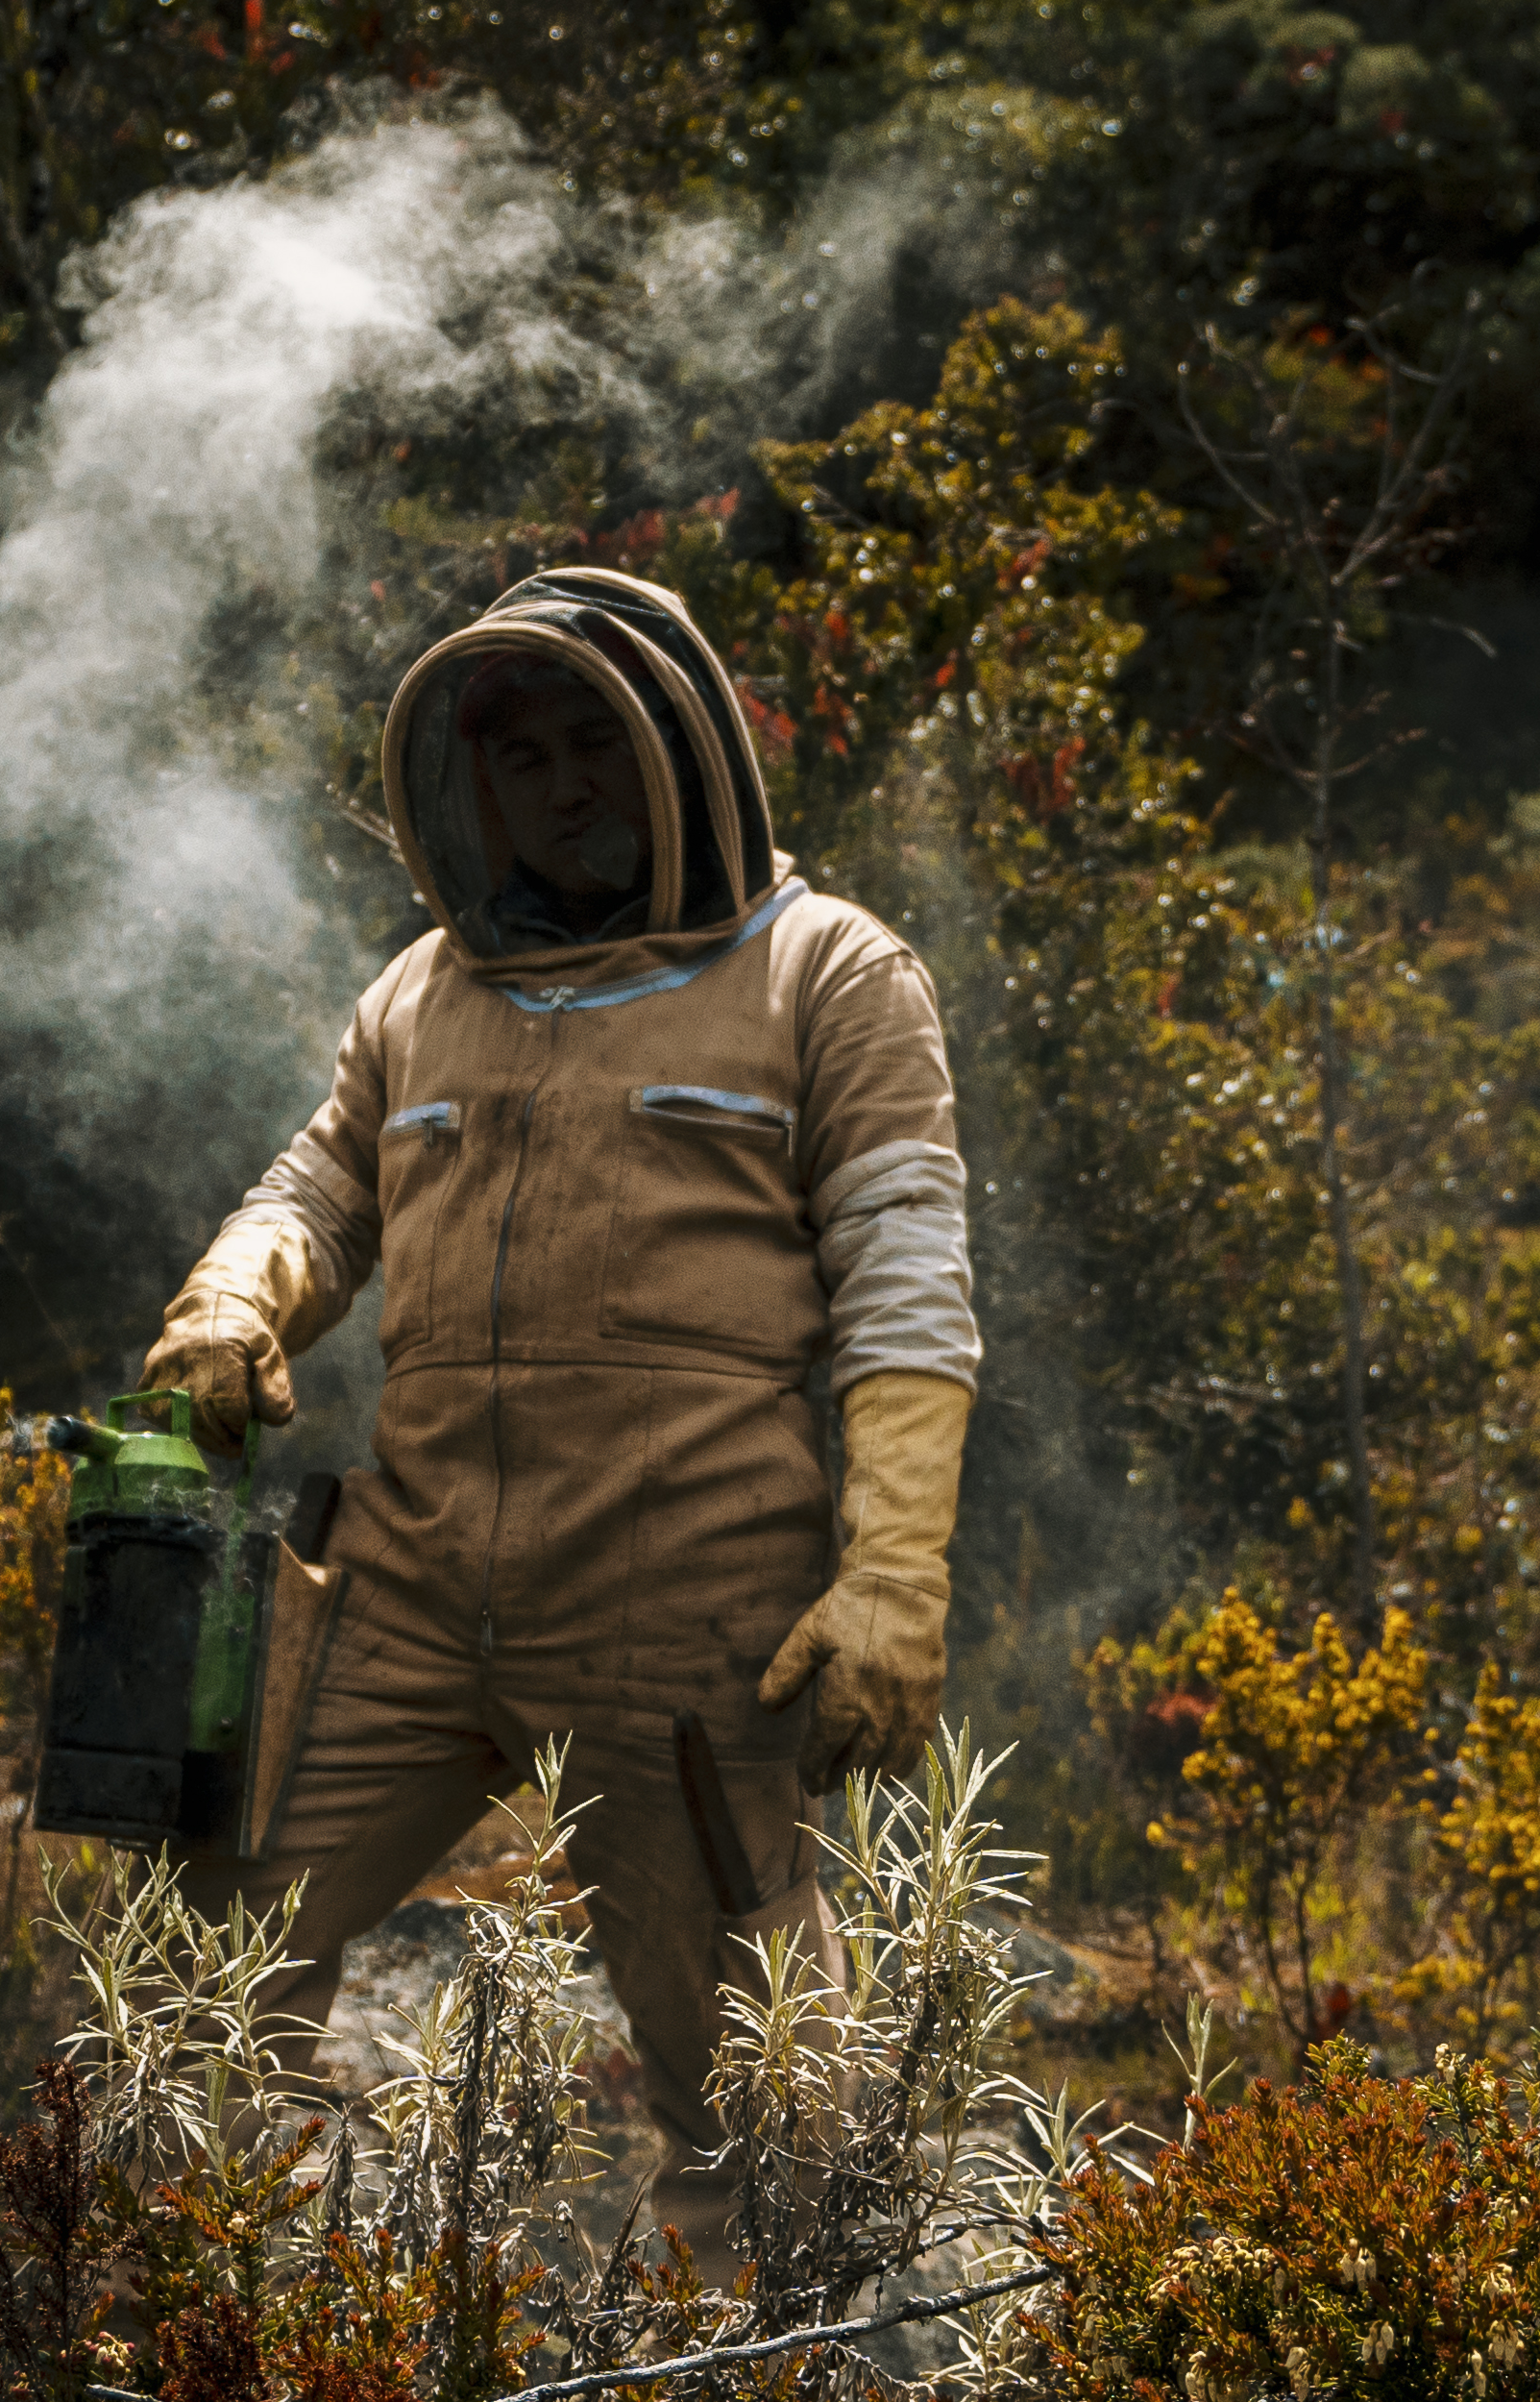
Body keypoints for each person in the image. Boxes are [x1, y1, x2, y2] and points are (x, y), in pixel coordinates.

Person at [142, 566, 975, 2247]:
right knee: (196, 1983)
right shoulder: (421, 991)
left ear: (685, 749)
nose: (562, 787)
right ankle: (203, 2362)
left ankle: (794, 2398)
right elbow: (315, 1193)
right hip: (406, 1591)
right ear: (473, 790)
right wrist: (231, 1298)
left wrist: (895, 1571)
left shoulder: (827, 971)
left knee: (760, 2104)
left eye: (595, 743)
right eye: (521, 758)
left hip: (684, 1615)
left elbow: (906, 1285)